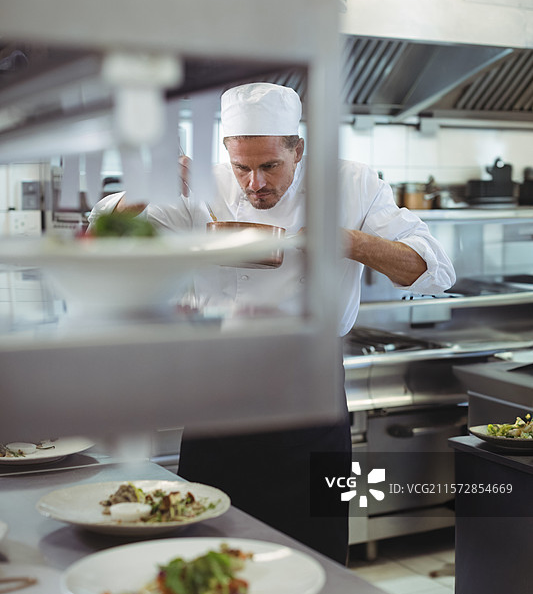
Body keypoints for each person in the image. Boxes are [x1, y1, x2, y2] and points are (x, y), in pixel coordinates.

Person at [88, 82, 455, 565]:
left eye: (269, 166)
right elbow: (99, 240)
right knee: (210, 543)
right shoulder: (199, 186)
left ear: (297, 149)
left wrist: (347, 241)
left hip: (311, 392)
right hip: (216, 391)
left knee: (316, 551)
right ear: (225, 152)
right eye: (241, 167)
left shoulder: (352, 183)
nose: (254, 184)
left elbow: (434, 271)